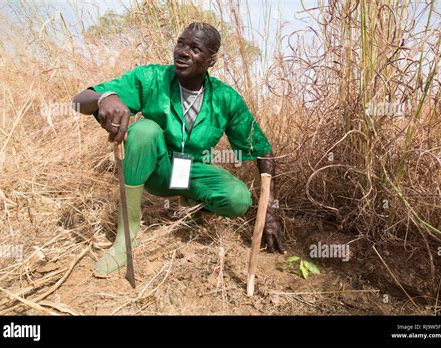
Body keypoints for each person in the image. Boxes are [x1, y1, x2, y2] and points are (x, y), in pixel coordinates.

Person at [72, 22, 286, 276]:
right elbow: (78, 102)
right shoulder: (151, 78)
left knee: (238, 199)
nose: (182, 52)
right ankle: (126, 238)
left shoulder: (226, 98)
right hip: (158, 170)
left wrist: (270, 209)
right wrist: (104, 97)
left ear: (211, 60)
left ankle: (193, 205)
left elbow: (262, 150)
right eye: (180, 43)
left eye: (194, 48)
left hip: (191, 170)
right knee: (145, 130)